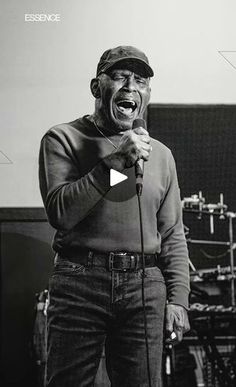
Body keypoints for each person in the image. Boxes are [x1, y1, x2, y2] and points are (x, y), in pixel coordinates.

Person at [39, 45, 190, 387]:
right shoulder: (63, 138)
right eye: (119, 77)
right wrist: (117, 162)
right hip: (79, 280)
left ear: (147, 94)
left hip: (145, 284)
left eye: (140, 80)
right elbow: (61, 212)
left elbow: (172, 233)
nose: (130, 87)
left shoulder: (161, 155)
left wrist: (178, 299)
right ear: (97, 88)